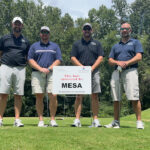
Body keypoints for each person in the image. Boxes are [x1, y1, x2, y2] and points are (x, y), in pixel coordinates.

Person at [104, 23, 144, 129]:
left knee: (134, 96)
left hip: (131, 71)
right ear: (120, 31)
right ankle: (116, 122)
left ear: (130, 30)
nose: (124, 30)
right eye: (122, 29)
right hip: (117, 72)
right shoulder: (116, 45)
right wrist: (118, 62)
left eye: (126, 29)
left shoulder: (135, 42)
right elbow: (110, 60)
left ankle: (139, 121)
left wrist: (127, 62)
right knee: (116, 98)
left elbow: (139, 56)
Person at [70, 23, 104, 127]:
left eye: (88, 29)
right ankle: (77, 119)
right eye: (85, 29)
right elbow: (72, 58)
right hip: (80, 72)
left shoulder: (97, 43)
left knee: (95, 95)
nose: (87, 31)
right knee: (79, 96)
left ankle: (95, 120)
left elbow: (101, 57)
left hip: (94, 71)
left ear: (92, 30)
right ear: (82, 31)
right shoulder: (77, 44)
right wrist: (82, 68)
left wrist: (91, 68)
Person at [28, 26, 62, 127]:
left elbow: (59, 59)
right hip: (37, 73)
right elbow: (30, 59)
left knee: (53, 95)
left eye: (46, 32)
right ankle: (41, 120)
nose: (44, 34)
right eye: (42, 32)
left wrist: (50, 68)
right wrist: (40, 68)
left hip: (52, 73)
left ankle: (52, 119)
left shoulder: (55, 46)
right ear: (40, 34)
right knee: (39, 96)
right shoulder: (34, 46)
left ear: (49, 34)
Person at [0, 17, 30, 127]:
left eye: (19, 24)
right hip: (5, 66)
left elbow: (28, 57)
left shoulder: (26, 41)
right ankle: (0, 119)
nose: (17, 26)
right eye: (15, 24)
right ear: (12, 25)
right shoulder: (4, 38)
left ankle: (17, 120)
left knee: (18, 95)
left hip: (20, 68)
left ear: (22, 26)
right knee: (3, 94)